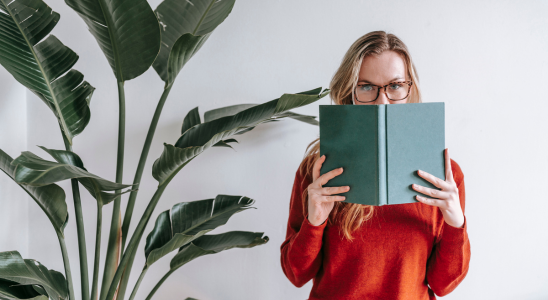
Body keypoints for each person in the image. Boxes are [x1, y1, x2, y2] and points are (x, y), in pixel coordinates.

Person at [280, 31, 470, 300]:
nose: (382, 101)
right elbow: (296, 274)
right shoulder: (318, 170)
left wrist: (455, 222)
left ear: (410, 89)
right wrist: (315, 222)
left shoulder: (445, 175)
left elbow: (443, 284)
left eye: (395, 86)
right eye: (367, 87)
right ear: (350, 92)